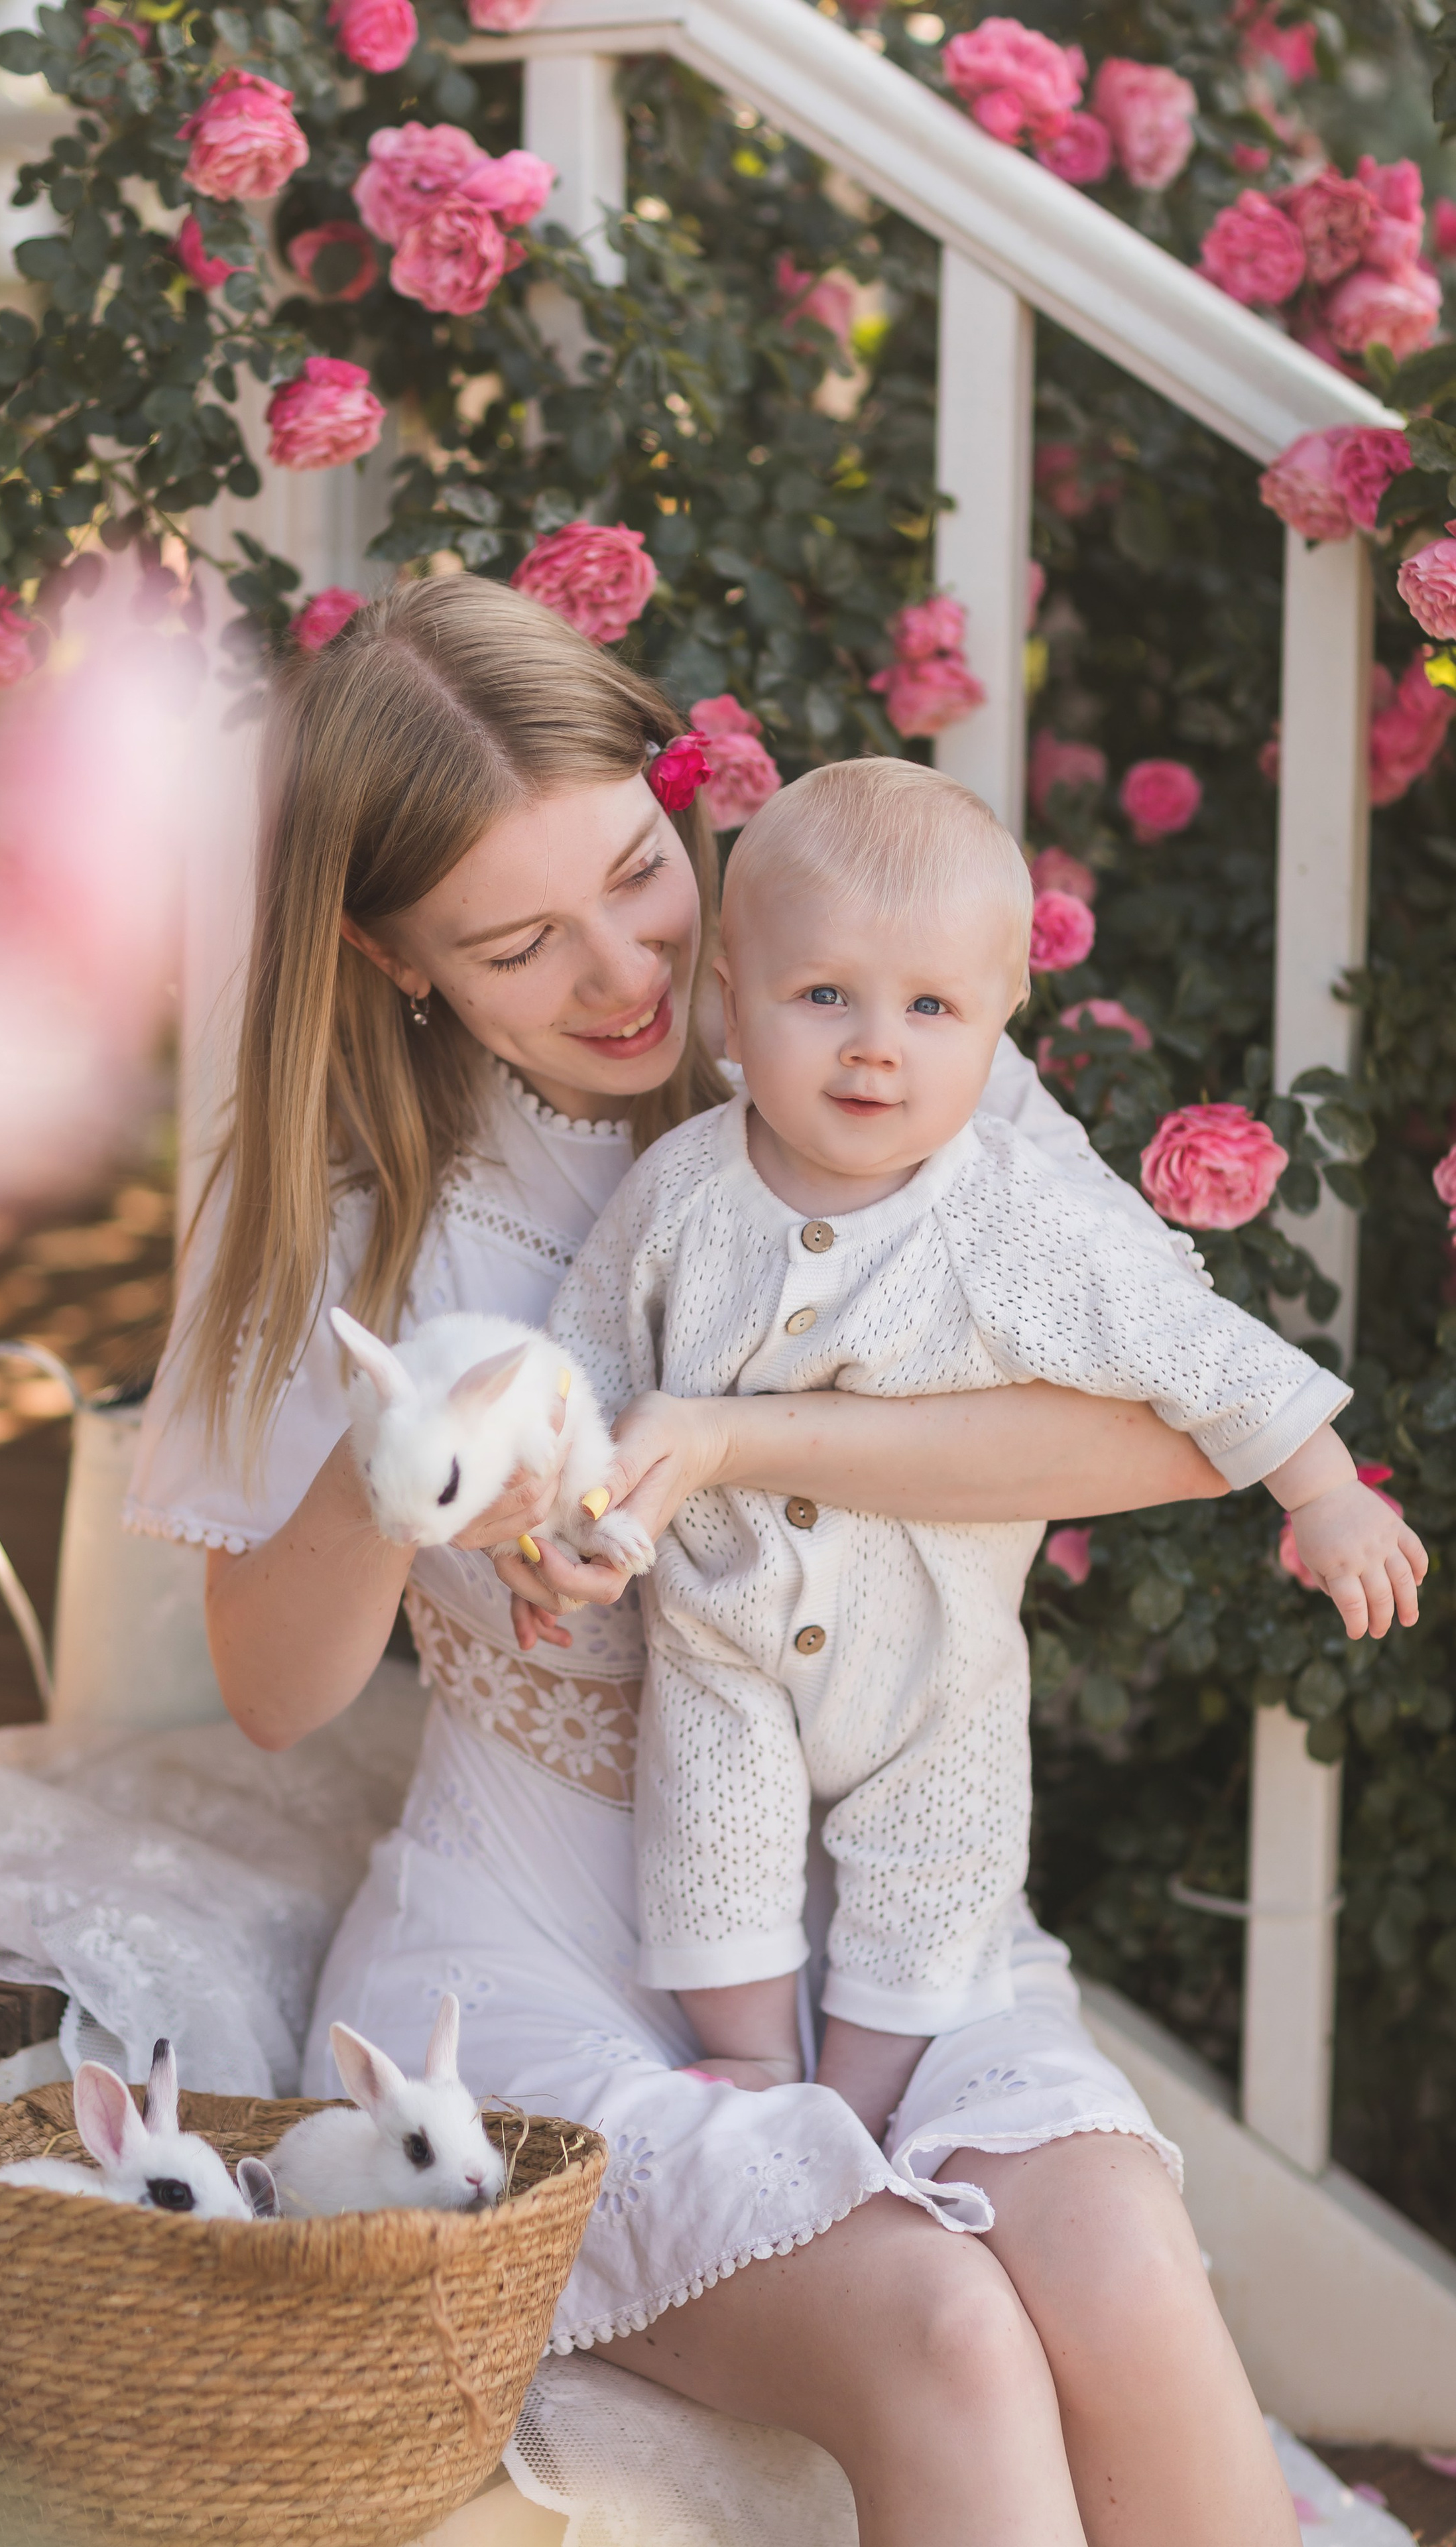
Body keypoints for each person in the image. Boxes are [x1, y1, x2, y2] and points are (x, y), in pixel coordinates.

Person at [129, 573, 1305, 2547]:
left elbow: (1174, 1427)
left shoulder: (873, 1032)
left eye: (641, 872)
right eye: (518, 942)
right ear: (390, 956)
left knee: (1120, 2273)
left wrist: (734, 1438)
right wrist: (406, 1437)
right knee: (944, 2329)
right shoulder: (351, 1213)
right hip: (533, 1954)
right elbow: (271, 1686)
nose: (620, 971)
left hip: (884, 1912)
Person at [544, 754, 1422, 2156]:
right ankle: (756, 2067)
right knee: (705, 1836)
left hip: (931, 1659)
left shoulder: (1005, 1219)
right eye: (821, 994)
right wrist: (566, 1517)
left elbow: (1181, 1344)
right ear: (730, 999)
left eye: (930, 1007)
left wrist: (1319, 1488)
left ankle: (866, 2107)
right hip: (716, 1634)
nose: (872, 1046)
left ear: (999, 1019)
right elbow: (586, 1359)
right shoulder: (680, 1193)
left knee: (932, 1869)